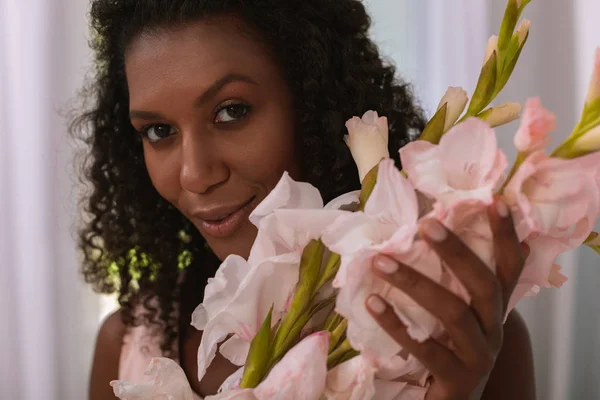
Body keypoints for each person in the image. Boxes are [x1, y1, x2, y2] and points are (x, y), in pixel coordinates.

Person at [73, 1, 536, 399]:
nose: (195, 175)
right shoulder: (126, 348)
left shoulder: (462, 341)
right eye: (159, 131)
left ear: (315, 100)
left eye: (231, 111)